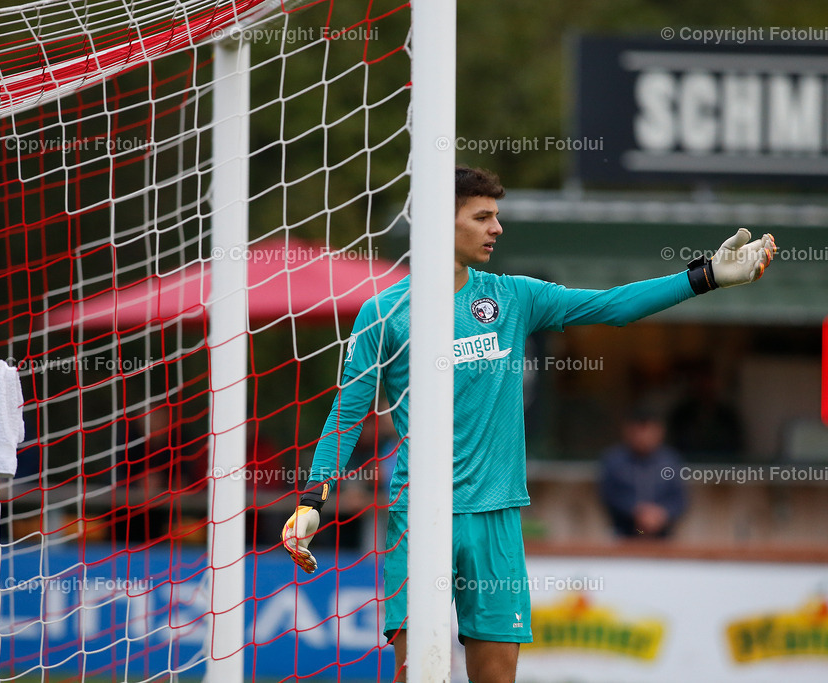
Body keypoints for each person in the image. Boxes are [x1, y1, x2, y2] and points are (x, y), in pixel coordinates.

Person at [282, 166, 777, 683]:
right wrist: (313, 500)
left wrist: (706, 276)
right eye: (483, 217)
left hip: (497, 518)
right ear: (437, 223)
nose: (497, 228)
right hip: (419, 516)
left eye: (497, 216)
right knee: (419, 675)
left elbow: (612, 307)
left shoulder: (514, 297)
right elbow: (347, 413)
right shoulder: (384, 314)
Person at [599, 405, 687, 538]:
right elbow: (609, 494)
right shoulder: (615, 460)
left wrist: (662, 514)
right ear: (628, 431)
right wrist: (637, 511)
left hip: (662, 535)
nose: (643, 437)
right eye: (638, 431)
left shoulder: (670, 461)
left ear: (660, 432)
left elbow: (679, 499)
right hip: (625, 533)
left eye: (648, 431)